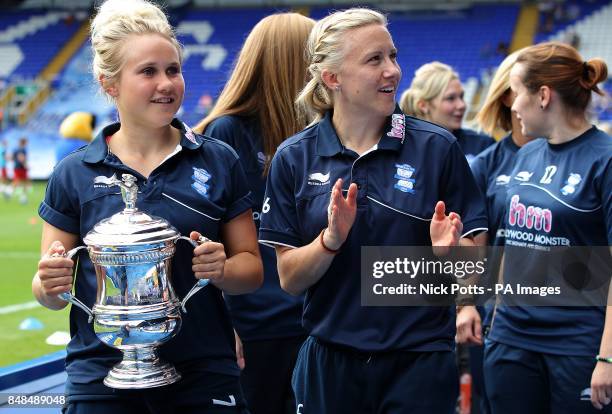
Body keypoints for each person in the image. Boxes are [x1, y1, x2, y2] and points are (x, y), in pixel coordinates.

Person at [32, 1, 263, 413]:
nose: (167, 83)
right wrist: (49, 283)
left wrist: (222, 268)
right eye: (148, 72)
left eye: (173, 70)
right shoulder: (73, 172)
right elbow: (48, 291)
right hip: (101, 374)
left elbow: (251, 271)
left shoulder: (218, 159)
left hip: (203, 372)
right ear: (110, 84)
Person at [258, 8, 488, 413]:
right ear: (332, 78)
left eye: (393, 56)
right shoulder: (294, 157)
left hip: (419, 362)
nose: (393, 71)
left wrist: (448, 257)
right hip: (329, 364)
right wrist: (329, 241)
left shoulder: (437, 148)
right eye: (374, 59)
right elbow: (290, 279)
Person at [194, 12, 314, 414]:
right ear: (294, 63)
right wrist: (223, 322)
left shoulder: (315, 137)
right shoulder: (227, 133)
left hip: (311, 324)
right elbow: (203, 241)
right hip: (254, 326)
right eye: (315, 57)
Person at [483, 41, 612, 413]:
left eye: (517, 91)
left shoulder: (604, 161)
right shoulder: (525, 154)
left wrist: (606, 358)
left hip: (577, 345)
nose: (512, 103)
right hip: (510, 340)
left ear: (543, 95)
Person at [455, 49, 536, 414]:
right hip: (497, 319)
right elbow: (473, 243)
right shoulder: (487, 164)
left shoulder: (586, 157)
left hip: (570, 318)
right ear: (508, 94)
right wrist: (466, 303)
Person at [400, 61, 495, 161]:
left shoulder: (483, 145)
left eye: (462, 96)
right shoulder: (400, 147)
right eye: (450, 98)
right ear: (423, 105)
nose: (462, 105)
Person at [11, 137, 29, 204]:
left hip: (16, 167)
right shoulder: (23, 149)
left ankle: (9, 191)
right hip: (21, 168)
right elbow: (21, 158)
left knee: (18, 180)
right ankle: (23, 196)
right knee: (23, 182)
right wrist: (25, 165)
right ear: (24, 142)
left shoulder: (16, 149)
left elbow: (12, 158)